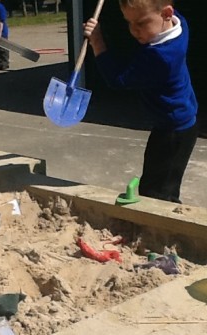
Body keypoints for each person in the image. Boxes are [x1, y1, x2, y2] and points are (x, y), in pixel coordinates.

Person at [83, 0, 198, 204]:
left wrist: (97, 41)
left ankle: (163, 228)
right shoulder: (180, 25)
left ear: (166, 14)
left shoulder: (160, 57)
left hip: (173, 131)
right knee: (157, 182)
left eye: (142, 23)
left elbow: (118, 79)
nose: (134, 31)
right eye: (129, 22)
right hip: (176, 122)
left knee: (159, 193)